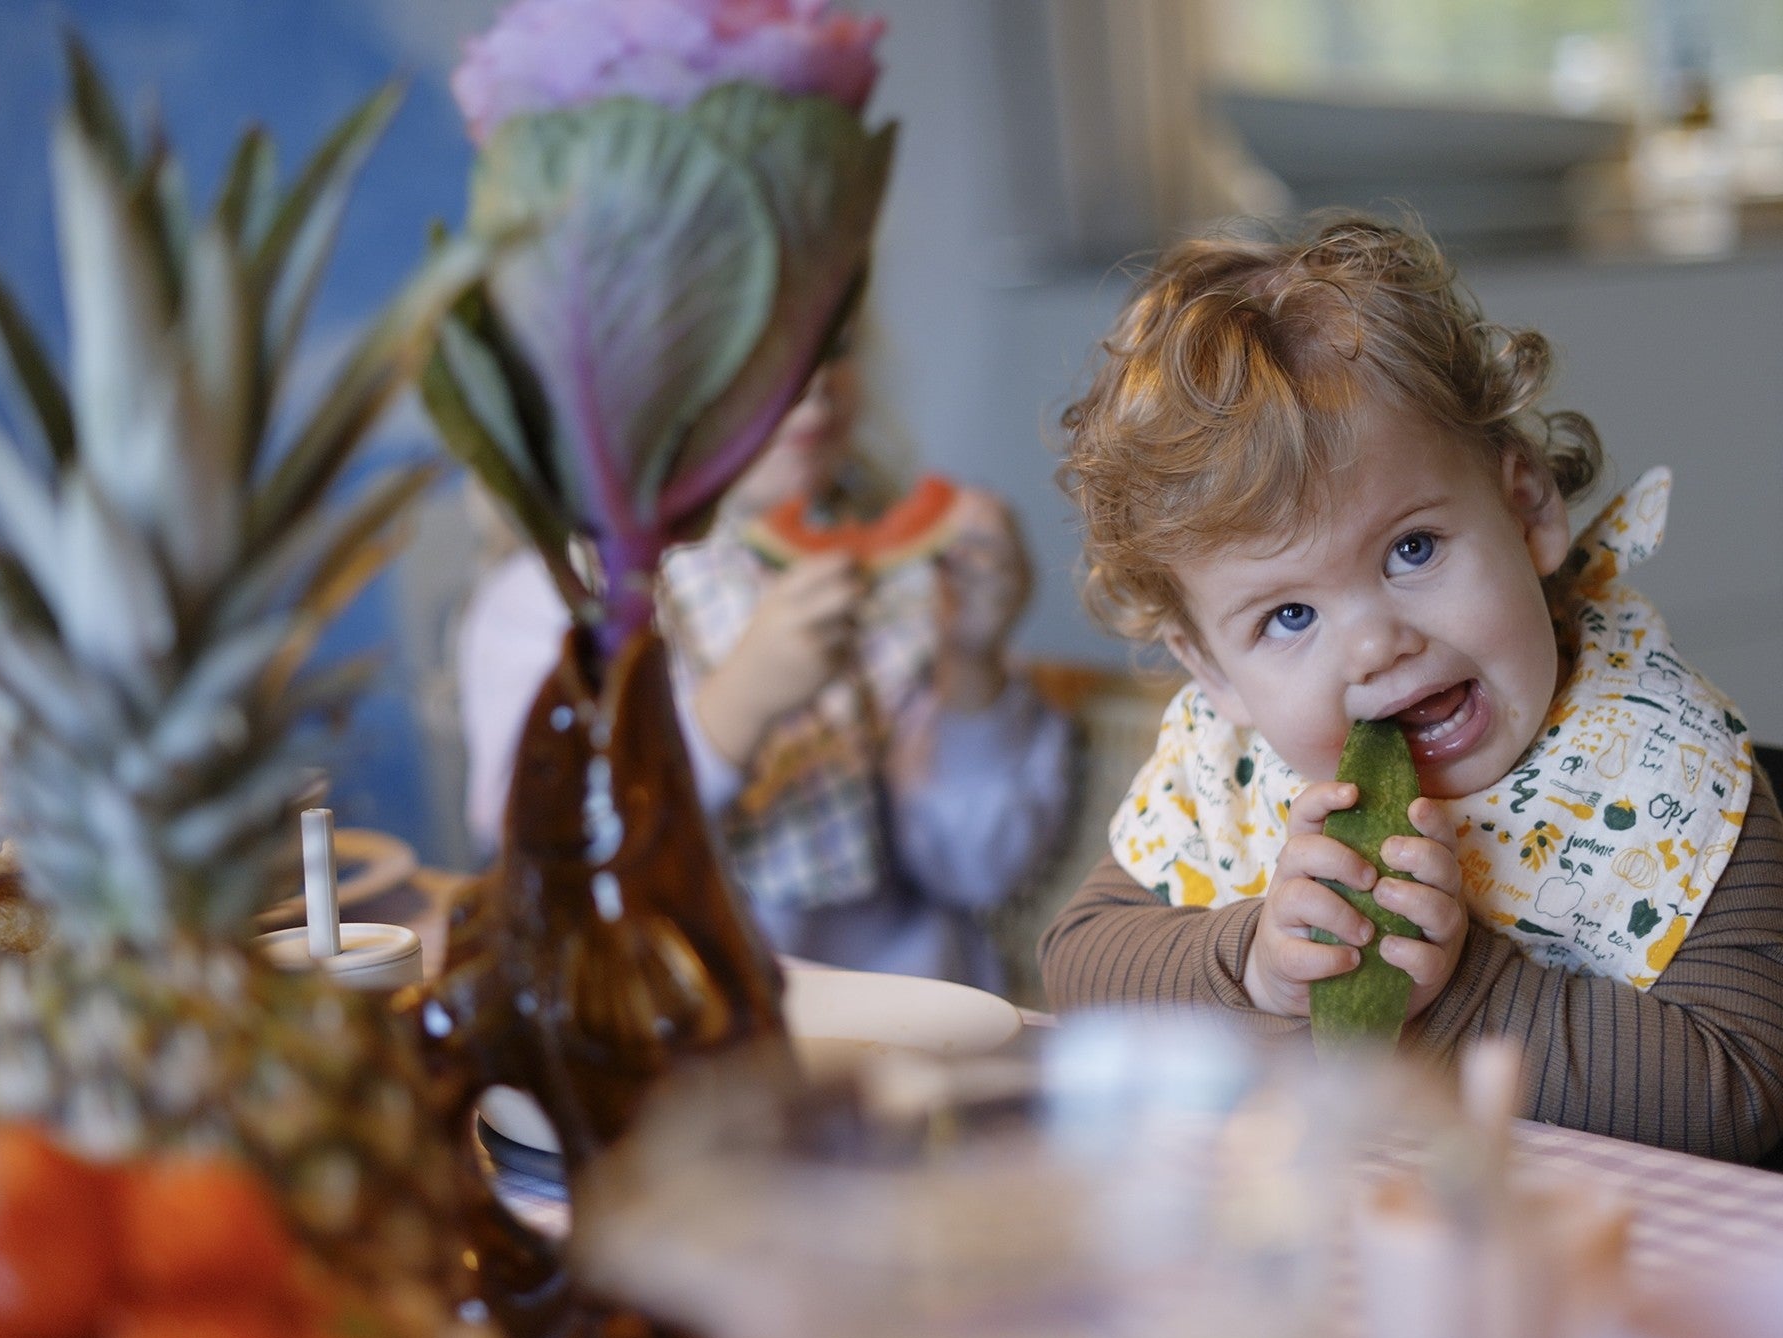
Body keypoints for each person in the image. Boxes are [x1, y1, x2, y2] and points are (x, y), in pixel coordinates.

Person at [1043, 214, 1783, 1161]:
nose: (1375, 645)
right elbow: (1075, 965)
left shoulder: (1666, 766)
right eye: (1290, 617)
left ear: (1526, 507)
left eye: (1412, 549)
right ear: (1212, 671)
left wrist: (1461, 992)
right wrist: (1252, 968)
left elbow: (1748, 1096)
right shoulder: (1229, 767)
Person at [457, 344, 1071, 993]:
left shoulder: (908, 588)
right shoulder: (552, 602)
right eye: (757, 350)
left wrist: (970, 658)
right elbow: (542, 846)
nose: (812, 387)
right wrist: (738, 705)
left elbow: (984, 869)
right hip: (669, 1021)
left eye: (834, 344)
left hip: (910, 1013)